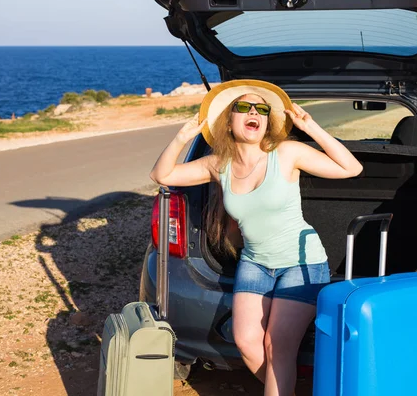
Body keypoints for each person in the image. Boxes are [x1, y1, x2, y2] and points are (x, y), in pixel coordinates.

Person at [150, 79, 363, 396]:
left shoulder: (287, 153)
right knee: (247, 341)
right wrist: (182, 137)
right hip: (255, 262)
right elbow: (162, 175)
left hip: (300, 263)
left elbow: (351, 168)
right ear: (229, 119)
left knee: (277, 346)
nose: (254, 112)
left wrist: (312, 127)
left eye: (262, 109)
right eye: (244, 107)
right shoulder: (217, 164)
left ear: (266, 122)